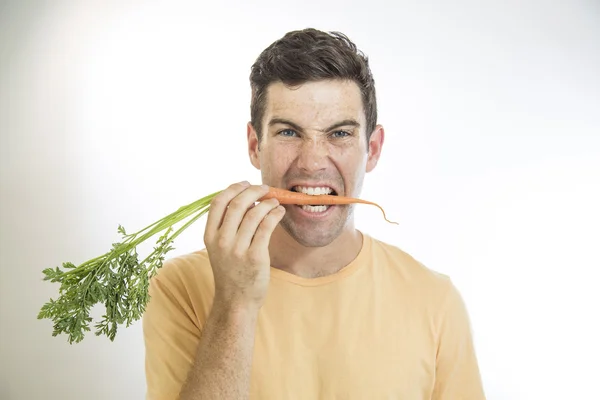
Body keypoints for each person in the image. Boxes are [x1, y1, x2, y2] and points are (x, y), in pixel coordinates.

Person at [142, 28, 485, 399]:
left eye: (339, 134)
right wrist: (235, 302)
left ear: (372, 149)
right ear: (255, 146)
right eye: (289, 133)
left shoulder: (434, 300)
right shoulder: (181, 288)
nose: (313, 162)